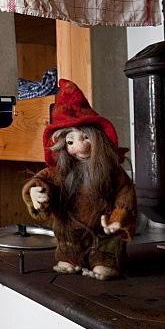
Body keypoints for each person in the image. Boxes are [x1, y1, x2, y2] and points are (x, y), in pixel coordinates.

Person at [21, 79, 136, 280]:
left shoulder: (112, 172)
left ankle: (104, 261)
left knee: (108, 246)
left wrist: (118, 219)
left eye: (87, 138)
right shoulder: (59, 172)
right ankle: (71, 258)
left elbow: (125, 195)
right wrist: (35, 192)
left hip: (103, 228)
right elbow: (41, 181)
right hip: (69, 228)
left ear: (99, 140)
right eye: (71, 141)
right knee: (67, 239)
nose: (80, 147)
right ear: (62, 147)